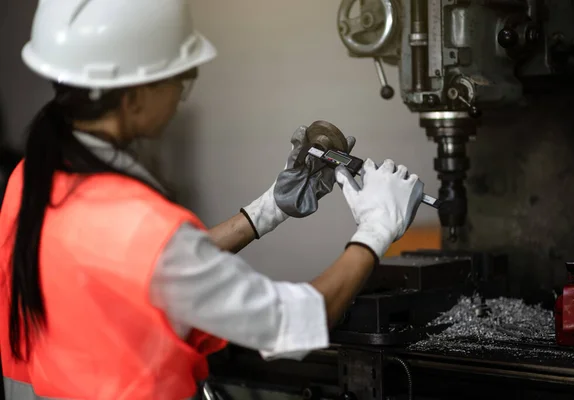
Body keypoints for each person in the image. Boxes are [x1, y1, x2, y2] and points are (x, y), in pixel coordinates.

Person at [0, 1, 424, 399]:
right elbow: (291, 322)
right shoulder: (143, 228)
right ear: (133, 96)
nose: (185, 90)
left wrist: (269, 209)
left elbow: (152, 270)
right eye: (181, 77)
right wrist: (375, 228)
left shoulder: (32, 180)